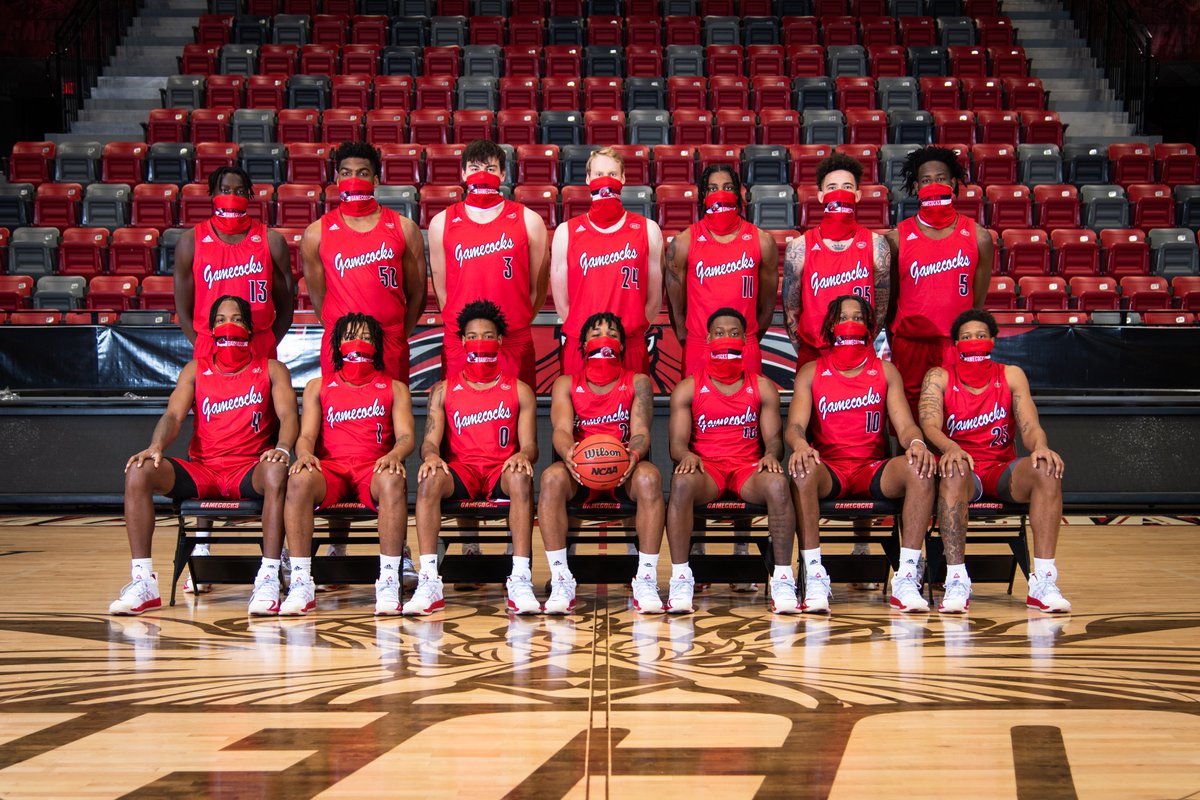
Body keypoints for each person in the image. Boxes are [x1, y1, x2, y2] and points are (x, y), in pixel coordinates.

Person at [109, 295, 298, 616]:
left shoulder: (271, 369)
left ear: (250, 329)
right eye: (222, 319)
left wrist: (282, 449)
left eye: (237, 318)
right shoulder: (196, 370)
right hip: (204, 471)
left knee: (277, 470)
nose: (229, 324)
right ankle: (143, 581)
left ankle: (267, 576)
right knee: (139, 470)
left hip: (247, 470)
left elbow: (289, 415)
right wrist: (156, 446)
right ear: (210, 330)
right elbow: (173, 415)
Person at [786, 295, 937, 614]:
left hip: (873, 470)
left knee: (920, 468)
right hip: (831, 470)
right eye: (843, 317)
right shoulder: (812, 371)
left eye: (858, 317)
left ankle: (907, 576)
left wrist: (917, 444)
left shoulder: (886, 371)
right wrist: (800, 445)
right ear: (830, 326)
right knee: (801, 469)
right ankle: (814, 575)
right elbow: (795, 427)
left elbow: (906, 426)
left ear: (870, 327)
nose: (850, 322)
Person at [918, 309, 1070, 614]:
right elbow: (929, 424)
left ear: (993, 341)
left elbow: (1030, 425)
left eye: (981, 336)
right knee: (953, 471)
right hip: (963, 468)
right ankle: (957, 579)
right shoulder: (940, 376)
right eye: (966, 337)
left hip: (1001, 470)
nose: (974, 342)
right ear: (956, 344)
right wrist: (951, 448)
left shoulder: (1011, 374)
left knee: (1046, 469)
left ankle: (1043, 581)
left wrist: (1041, 446)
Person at [406, 300, 540, 615]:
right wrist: (431, 457)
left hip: (500, 470)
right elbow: (429, 442)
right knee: (428, 480)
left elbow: (531, 446)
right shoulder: (443, 390)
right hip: (462, 472)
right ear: (463, 341)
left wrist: (522, 454)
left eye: (488, 335)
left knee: (522, 476)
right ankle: (429, 580)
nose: (480, 341)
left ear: (500, 341)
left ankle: (519, 578)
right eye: (473, 335)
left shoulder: (519, 390)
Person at [279, 313, 417, 616]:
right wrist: (303, 454)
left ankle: (389, 579)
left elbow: (407, 436)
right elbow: (305, 437)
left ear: (377, 345)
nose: (358, 342)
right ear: (338, 344)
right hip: (334, 469)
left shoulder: (394, 388)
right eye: (351, 336)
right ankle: (302, 581)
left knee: (394, 479)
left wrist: (395, 454)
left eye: (366, 337)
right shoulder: (319, 386)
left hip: (373, 467)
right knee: (300, 478)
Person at [665, 308, 798, 615]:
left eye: (735, 333)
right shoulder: (688, 387)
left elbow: (775, 441)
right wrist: (686, 455)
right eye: (721, 333)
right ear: (709, 338)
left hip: (746, 469)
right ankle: (681, 577)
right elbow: (676, 445)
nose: (727, 338)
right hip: (707, 468)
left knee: (778, 484)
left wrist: (770, 454)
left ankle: (782, 578)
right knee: (681, 481)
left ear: (746, 340)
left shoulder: (762, 387)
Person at [538, 312, 665, 614]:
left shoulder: (638, 382)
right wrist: (569, 454)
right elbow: (561, 430)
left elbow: (641, 432)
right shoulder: (566, 384)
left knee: (650, 477)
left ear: (622, 344)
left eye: (612, 333)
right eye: (596, 334)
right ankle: (561, 578)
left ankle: (645, 578)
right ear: (582, 345)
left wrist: (632, 456)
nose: (604, 338)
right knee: (551, 478)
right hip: (581, 471)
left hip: (623, 470)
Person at [300, 141, 426, 384]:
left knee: (393, 416)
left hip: (389, 341)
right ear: (337, 180)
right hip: (341, 342)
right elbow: (318, 298)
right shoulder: (316, 232)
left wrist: (398, 333)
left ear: (376, 181)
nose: (353, 179)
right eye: (346, 173)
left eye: (362, 173)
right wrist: (341, 333)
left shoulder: (404, 228)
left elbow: (417, 293)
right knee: (340, 417)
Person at [429, 139, 549, 388]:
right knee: (458, 416)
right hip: (461, 339)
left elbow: (538, 285)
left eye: (491, 168)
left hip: (513, 338)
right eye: (474, 168)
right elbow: (442, 289)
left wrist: (518, 318)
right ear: (463, 173)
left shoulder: (529, 220)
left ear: (503, 174)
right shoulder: (442, 222)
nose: (482, 174)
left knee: (517, 416)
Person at [886, 146, 995, 417]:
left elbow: (976, 303)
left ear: (954, 183)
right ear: (916, 186)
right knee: (908, 422)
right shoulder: (897, 238)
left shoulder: (979, 237)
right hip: (910, 343)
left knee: (957, 415)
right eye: (926, 180)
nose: (934, 185)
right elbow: (890, 302)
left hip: (954, 343)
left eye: (941, 178)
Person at [550, 146, 665, 376]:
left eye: (612, 175)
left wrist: (629, 330)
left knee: (633, 411)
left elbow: (654, 300)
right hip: (581, 345)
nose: (605, 180)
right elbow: (562, 302)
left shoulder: (647, 229)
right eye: (599, 174)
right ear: (588, 179)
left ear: (622, 179)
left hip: (629, 345)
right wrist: (587, 334)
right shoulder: (566, 232)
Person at [665, 163, 779, 375]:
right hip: (699, 346)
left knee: (747, 408)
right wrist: (690, 342)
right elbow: (675, 309)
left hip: (745, 346)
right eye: (712, 188)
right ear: (703, 196)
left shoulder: (763, 242)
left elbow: (767, 308)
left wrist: (748, 338)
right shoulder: (683, 243)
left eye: (727, 187)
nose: (720, 194)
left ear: (737, 194)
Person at [782, 152, 891, 372]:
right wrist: (805, 347)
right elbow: (791, 310)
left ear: (858, 195)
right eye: (832, 188)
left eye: (847, 187)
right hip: (813, 352)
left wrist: (858, 341)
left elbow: (880, 310)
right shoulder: (799, 247)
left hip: (859, 351)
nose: (840, 193)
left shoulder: (877, 245)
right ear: (821, 196)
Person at [173, 165, 294, 361]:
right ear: (213, 194)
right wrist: (203, 346)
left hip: (258, 344)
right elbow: (183, 310)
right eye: (225, 190)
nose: (232, 196)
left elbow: (287, 308)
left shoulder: (272, 241)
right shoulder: (190, 242)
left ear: (248, 195)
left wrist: (269, 342)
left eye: (239, 191)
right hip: (211, 344)